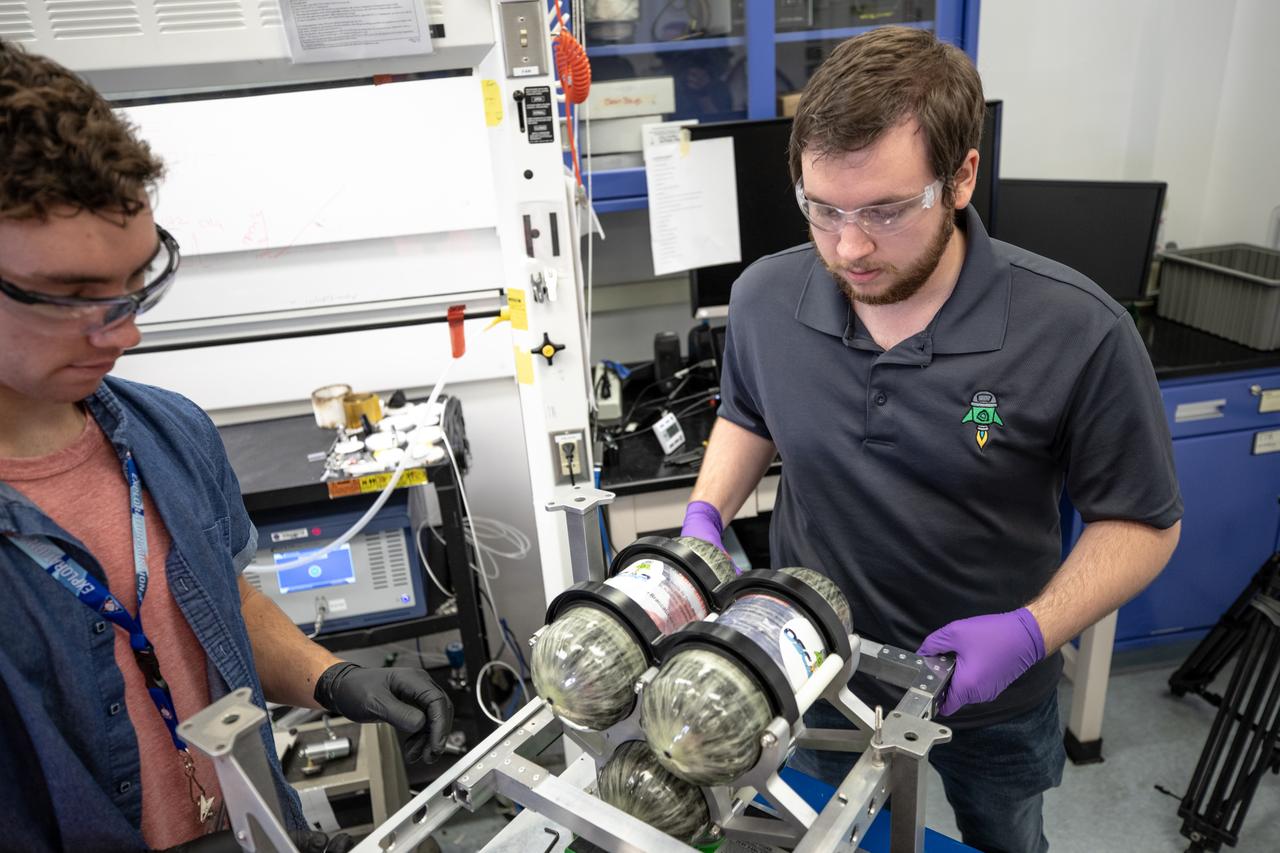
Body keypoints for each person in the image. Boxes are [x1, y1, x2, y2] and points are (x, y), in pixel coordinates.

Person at [679, 26, 1182, 853]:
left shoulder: (1078, 329)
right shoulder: (766, 297)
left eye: (885, 210)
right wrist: (705, 515)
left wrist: (1031, 631)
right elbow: (749, 413)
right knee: (826, 838)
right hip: (819, 670)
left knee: (1005, 840)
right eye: (823, 208)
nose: (849, 246)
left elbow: (1143, 522)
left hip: (994, 695)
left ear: (962, 177)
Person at [0, 42, 452, 851]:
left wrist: (333, 678)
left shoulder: (167, 433)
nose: (126, 333)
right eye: (73, 296)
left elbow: (219, 603)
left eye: (135, 282)